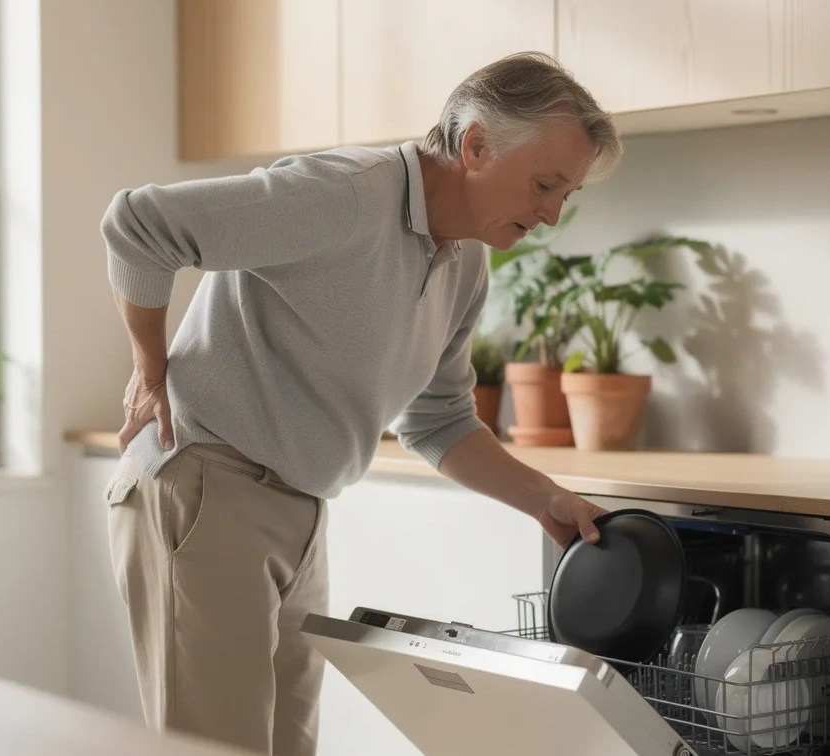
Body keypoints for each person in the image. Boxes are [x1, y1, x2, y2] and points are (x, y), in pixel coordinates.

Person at [98, 51, 623, 755]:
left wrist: (544, 498)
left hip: (300, 508)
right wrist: (150, 364)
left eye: (568, 195)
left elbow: (438, 422)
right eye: (545, 184)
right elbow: (138, 225)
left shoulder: (465, 262)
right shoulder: (344, 195)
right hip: (206, 486)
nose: (554, 214)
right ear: (475, 145)